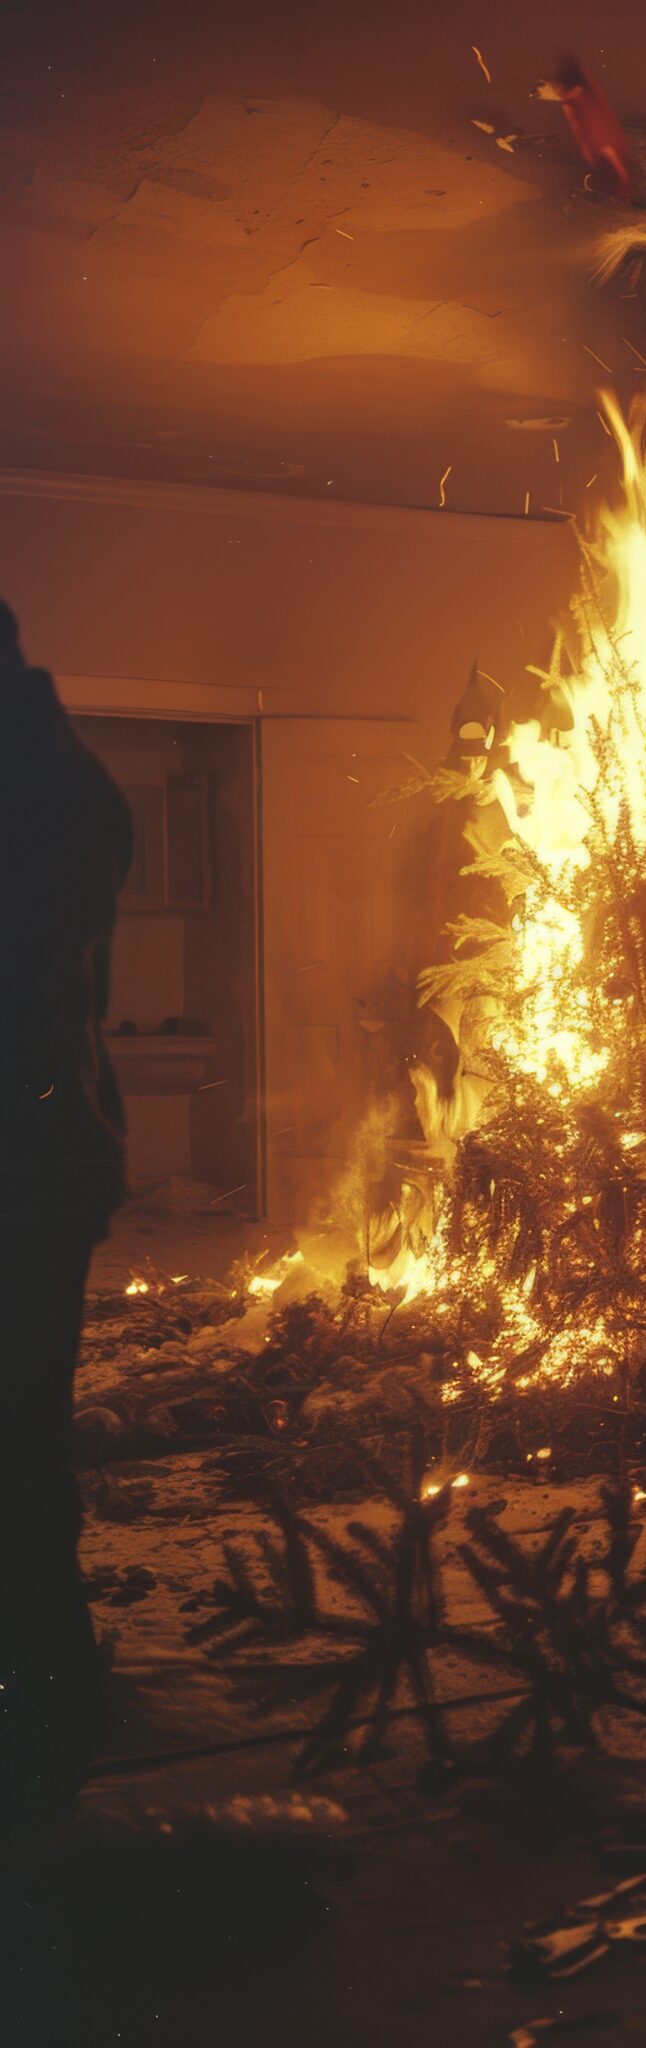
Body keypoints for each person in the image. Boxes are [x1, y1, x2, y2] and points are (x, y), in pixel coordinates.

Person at [0, 603, 133, 1845]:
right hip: (46, 1161)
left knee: (17, 1447)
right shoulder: (62, 781)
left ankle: (41, 1722)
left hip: (29, 1168)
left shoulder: (48, 793)